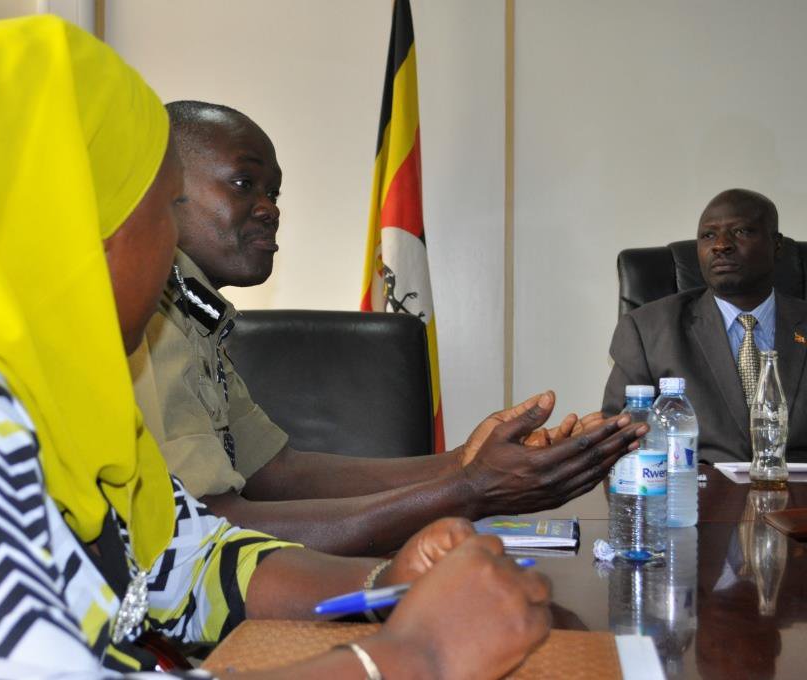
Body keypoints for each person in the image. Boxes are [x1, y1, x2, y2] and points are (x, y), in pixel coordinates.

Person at [0, 16, 570, 679]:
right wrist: (411, 654)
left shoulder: (46, 397)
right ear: (76, 227)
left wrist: (385, 582)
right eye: (162, 209)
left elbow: (185, 563)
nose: (169, 252)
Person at [129, 100, 644, 556]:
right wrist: (469, 490)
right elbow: (212, 530)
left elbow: (277, 473)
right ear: (164, 187)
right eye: (245, 185)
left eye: (275, 193)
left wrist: (466, 460)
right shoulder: (146, 321)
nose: (270, 210)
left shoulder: (193, 315)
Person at [603, 189, 807, 463]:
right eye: (708, 235)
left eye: (742, 232)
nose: (721, 245)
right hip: (694, 497)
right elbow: (618, 440)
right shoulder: (648, 330)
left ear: (777, 245)